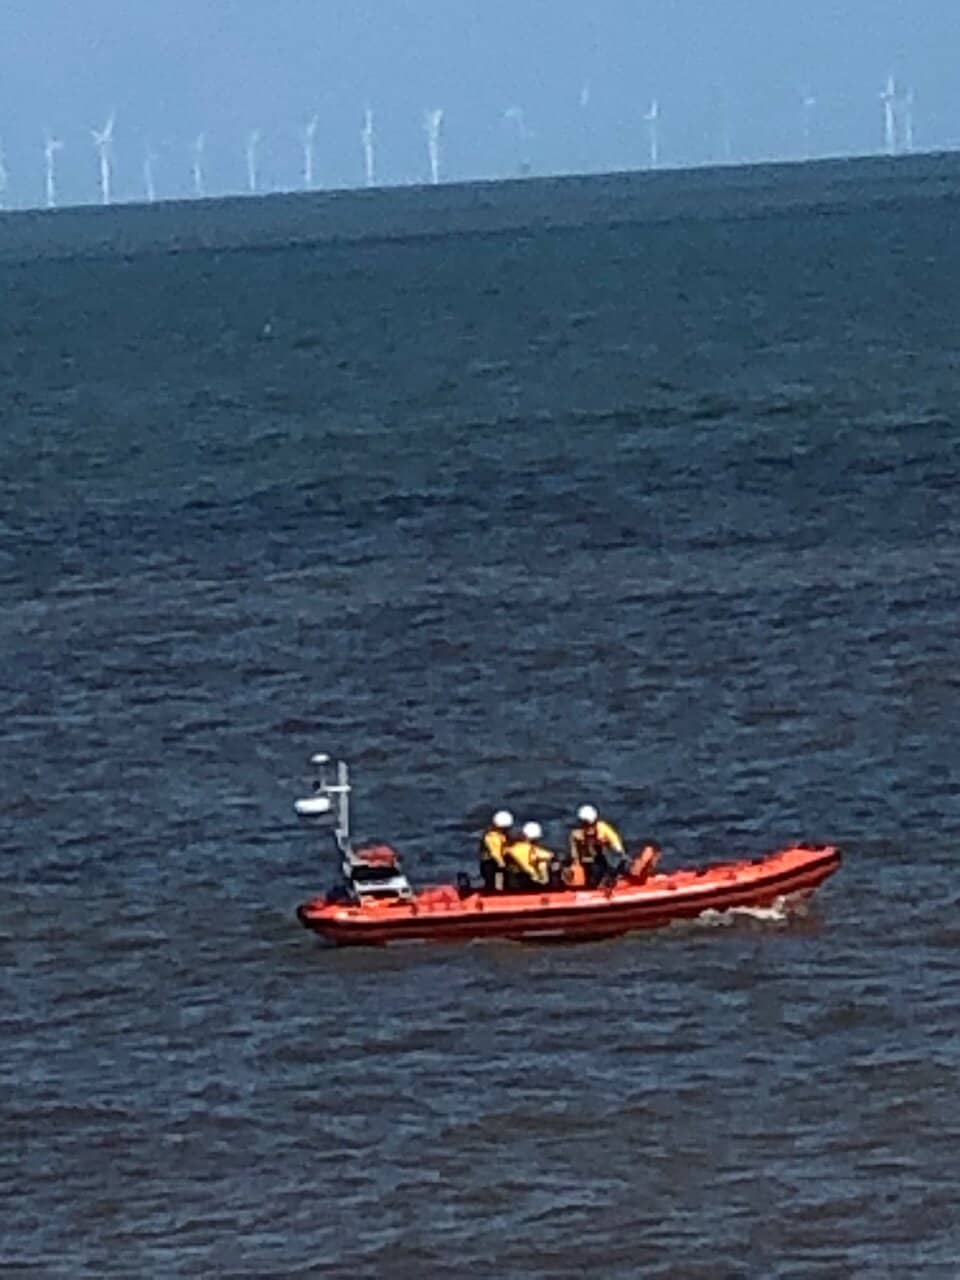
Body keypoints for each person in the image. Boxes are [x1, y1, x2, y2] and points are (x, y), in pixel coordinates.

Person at [568, 804, 625, 888]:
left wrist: (617, 849)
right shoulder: (576, 835)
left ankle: (606, 881)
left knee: (599, 871)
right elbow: (574, 851)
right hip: (585, 862)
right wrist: (575, 862)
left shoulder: (602, 829)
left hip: (600, 861)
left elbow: (615, 843)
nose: (588, 828)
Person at [505, 821, 554, 891]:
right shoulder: (534, 851)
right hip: (529, 883)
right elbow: (547, 856)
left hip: (514, 884)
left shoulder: (512, 849)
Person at [479, 809, 514, 892]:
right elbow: (495, 853)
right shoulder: (491, 836)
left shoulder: (501, 836)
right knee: (497, 885)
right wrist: (502, 864)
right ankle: (496, 895)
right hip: (492, 865)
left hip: (497, 865)